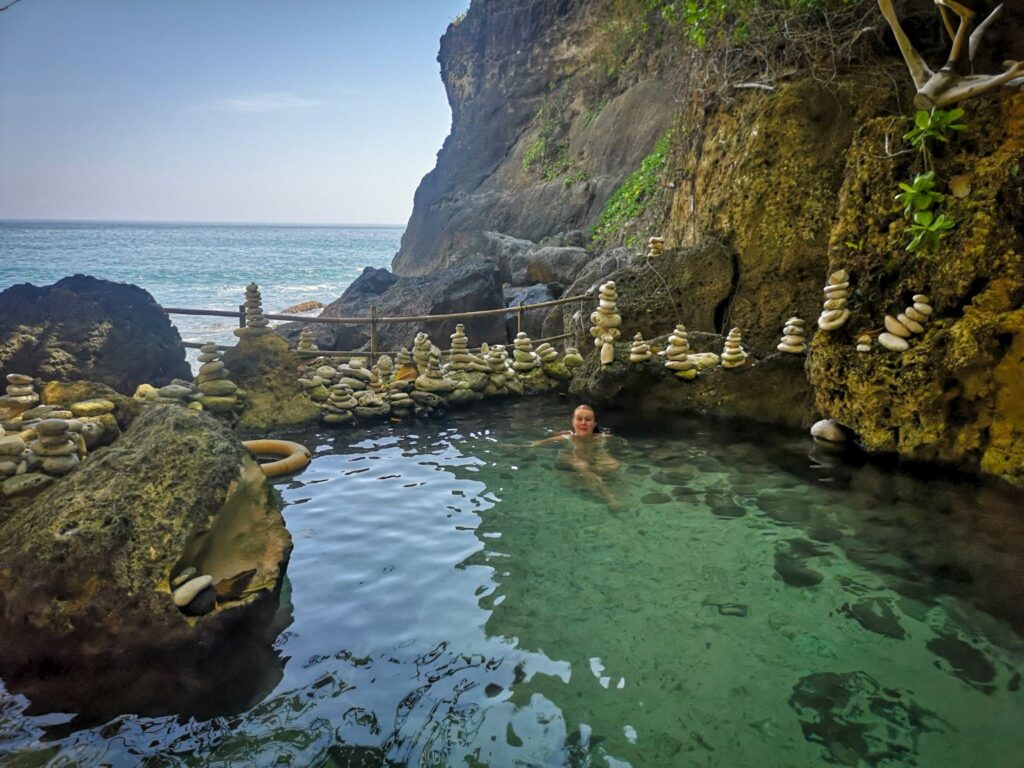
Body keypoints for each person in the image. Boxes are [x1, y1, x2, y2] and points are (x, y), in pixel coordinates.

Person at [533, 404, 621, 508]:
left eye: (588, 419)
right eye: (579, 419)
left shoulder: (601, 438)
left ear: (594, 424)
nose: (583, 422)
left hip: (588, 461)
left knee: (615, 465)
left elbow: (617, 441)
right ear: (573, 422)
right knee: (582, 466)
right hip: (569, 461)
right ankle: (610, 498)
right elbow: (537, 443)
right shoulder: (567, 438)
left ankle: (581, 476)